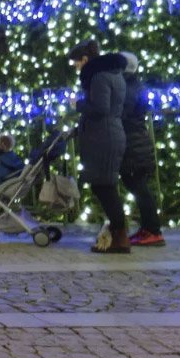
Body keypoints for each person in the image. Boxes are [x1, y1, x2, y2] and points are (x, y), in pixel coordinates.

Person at [69, 41, 129, 254]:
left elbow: (101, 108)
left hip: (103, 136)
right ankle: (118, 233)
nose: (77, 68)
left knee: (105, 186)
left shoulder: (98, 76)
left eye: (77, 64)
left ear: (85, 60)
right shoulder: (113, 73)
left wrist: (78, 105)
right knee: (104, 185)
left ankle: (120, 237)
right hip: (109, 134)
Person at [118, 53, 165, 247]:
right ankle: (149, 229)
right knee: (138, 187)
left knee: (139, 188)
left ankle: (152, 230)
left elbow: (123, 113)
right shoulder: (135, 85)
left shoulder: (127, 88)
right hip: (137, 143)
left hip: (133, 146)